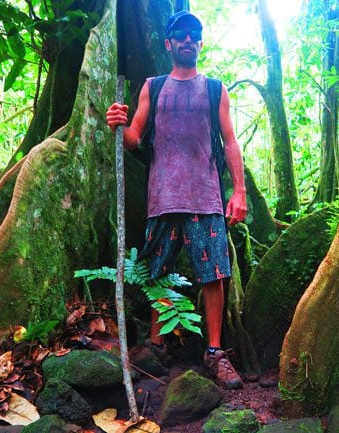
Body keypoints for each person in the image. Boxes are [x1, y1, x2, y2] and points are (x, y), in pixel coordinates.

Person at [106, 10, 247, 389]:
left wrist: (239, 190)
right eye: (181, 34)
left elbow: (230, 141)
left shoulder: (215, 88)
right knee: (158, 272)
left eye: (195, 35)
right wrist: (119, 123)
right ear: (168, 43)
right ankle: (157, 346)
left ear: (200, 43)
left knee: (214, 275)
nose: (188, 39)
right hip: (162, 198)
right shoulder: (153, 86)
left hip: (205, 198)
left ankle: (215, 352)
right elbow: (135, 136)